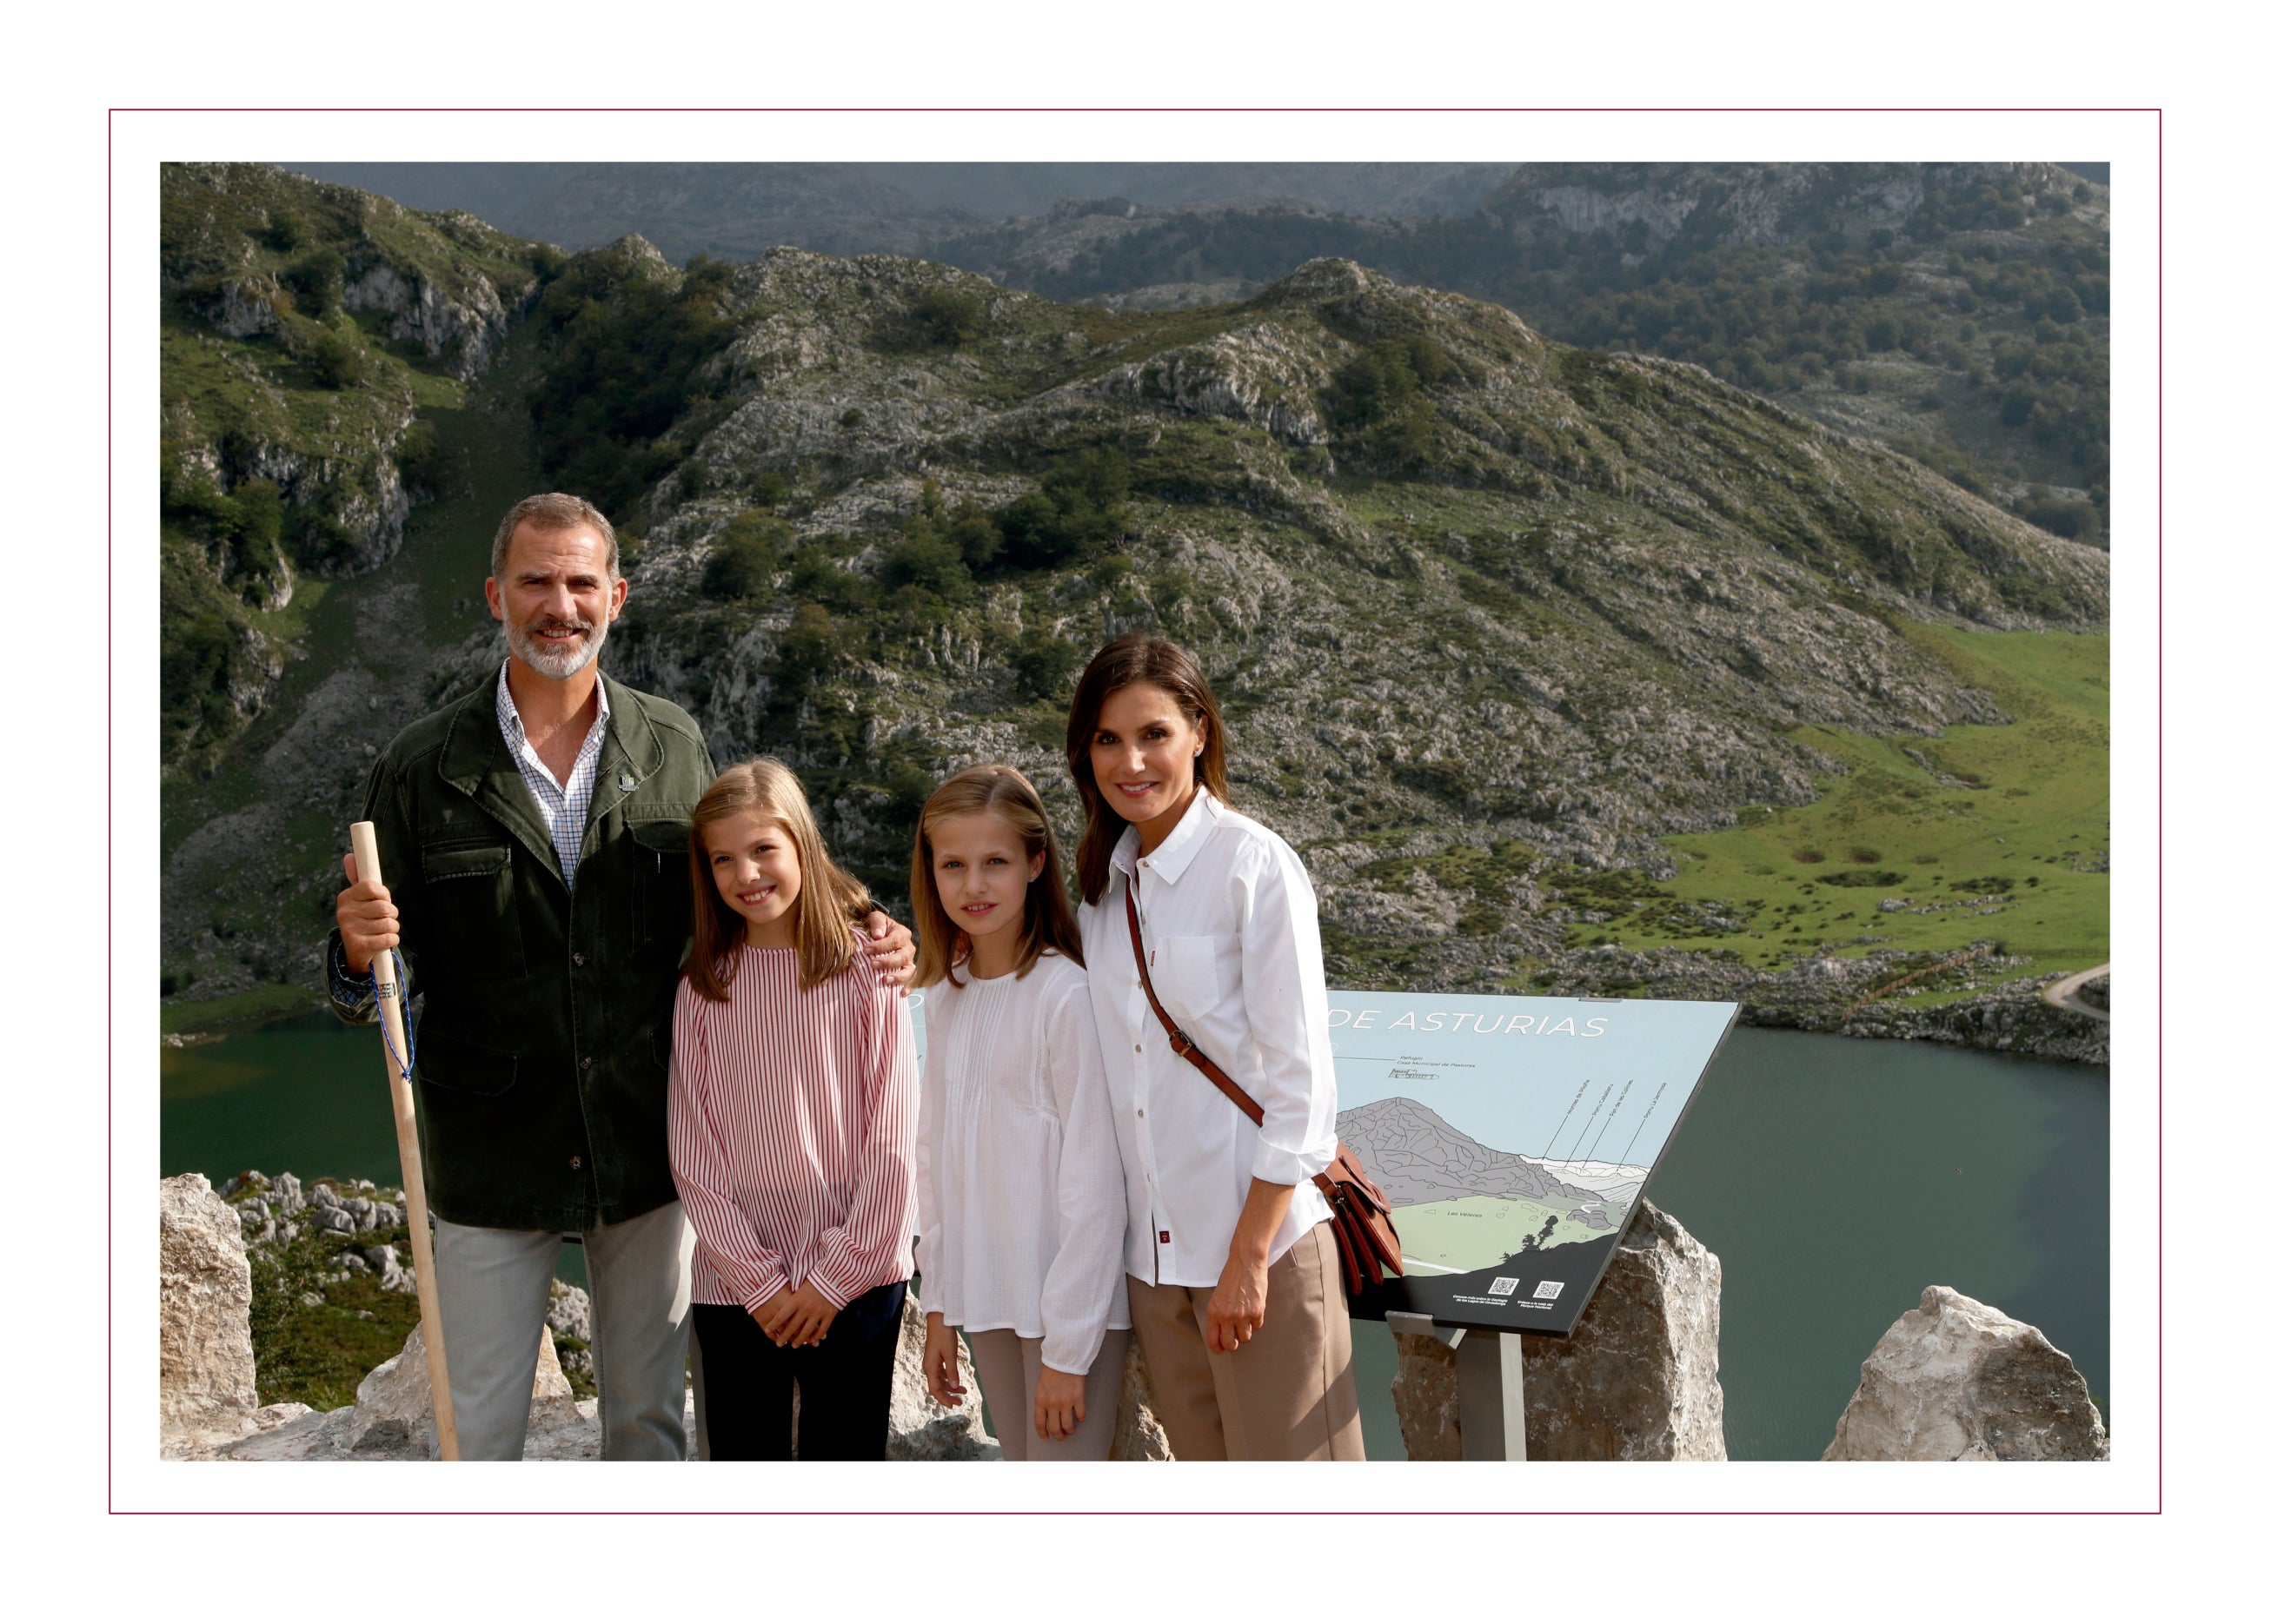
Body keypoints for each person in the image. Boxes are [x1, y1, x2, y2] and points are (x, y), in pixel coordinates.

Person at [328, 492, 912, 1462]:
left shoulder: (672, 745)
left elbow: (752, 875)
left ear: (617, 595)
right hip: (489, 1154)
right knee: (474, 1430)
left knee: (648, 1422)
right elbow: (370, 977)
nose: (560, 604)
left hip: (648, 1146)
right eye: (536, 581)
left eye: (581, 582)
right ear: (494, 596)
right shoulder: (419, 768)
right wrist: (354, 951)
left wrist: (866, 920)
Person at [1066, 633, 1364, 1461]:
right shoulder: (1101, 891)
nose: (1131, 760)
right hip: (1156, 1272)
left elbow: (1302, 1090)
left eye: (1153, 733)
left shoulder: (1253, 865)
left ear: (1199, 730)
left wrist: (1247, 1258)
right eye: (1106, 739)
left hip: (1255, 1259)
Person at [667, 759, 918, 1461]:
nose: (746, 873)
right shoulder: (704, 986)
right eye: (723, 858)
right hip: (737, 1287)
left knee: (845, 1459)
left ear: (801, 845)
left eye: (763, 849)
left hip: (859, 1278)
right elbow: (694, 1152)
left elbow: (893, 1136)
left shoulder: (870, 969)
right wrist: (761, 1283)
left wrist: (833, 1278)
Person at [908, 765, 1130, 1461]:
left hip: (1069, 1311)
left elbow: (1094, 1183)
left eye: (995, 862)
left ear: (1036, 862)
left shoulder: (1065, 994)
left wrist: (1068, 1350)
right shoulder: (945, 997)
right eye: (953, 864)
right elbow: (935, 1161)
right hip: (988, 1295)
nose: (973, 886)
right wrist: (940, 1303)